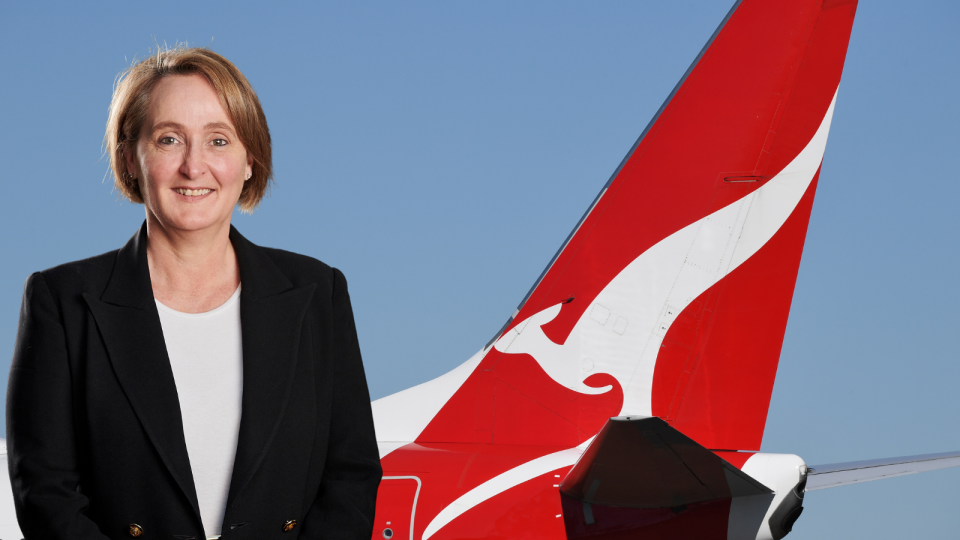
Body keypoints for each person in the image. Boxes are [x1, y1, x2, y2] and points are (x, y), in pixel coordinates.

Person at [6, 47, 382, 540]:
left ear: (250, 160)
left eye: (219, 140)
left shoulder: (317, 293)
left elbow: (350, 478)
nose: (194, 166)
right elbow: (46, 494)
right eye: (168, 140)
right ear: (130, 159)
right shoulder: (60, 300)